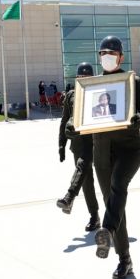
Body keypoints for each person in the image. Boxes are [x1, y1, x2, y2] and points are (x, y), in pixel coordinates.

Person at [83, 36, 140, 279]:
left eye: (112, 53)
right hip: (101, 152)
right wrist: (72, 126)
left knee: (118, 187)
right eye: (103, 53)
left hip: (129, 149)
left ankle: (108, 231)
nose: (107, 56)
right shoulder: (91, 86)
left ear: (121, 57)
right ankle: (125, 259)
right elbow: (79, 116)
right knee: (114, 203)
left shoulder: (134, 82)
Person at [57, 62, 101, 232]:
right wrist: (61, 144)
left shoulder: (99, 93)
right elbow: (64, 120)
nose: (83, 80)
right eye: (80, 77)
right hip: (78, 142)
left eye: (86, 77)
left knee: (84, 168)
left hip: (95, 141)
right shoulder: (71, 95)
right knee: (87, 182)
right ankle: (94, 216)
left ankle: (69, 197)